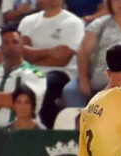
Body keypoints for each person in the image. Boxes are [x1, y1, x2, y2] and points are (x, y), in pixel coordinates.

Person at [62, 0, 121, 107]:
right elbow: (84, 52)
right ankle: (83, 121)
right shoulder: (98, 25)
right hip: (96, 81)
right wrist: (83, 79)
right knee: (70, 91)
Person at [18, 0, 84, 129]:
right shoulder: (28, 21)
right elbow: (23, 52)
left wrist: (34, 55)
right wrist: (50, 51)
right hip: (29, 70)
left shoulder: (73, 22)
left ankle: (49, 131)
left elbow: (62, 60)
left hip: (61, 73)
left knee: (44, 85)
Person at [0, 24, 46, 129]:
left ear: (22, 46)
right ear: (1, 48)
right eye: (6, 43)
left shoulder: (34, 74)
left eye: (15, 42)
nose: (10, 46)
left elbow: (27, 105)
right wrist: (9, 100)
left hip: (21, 131)